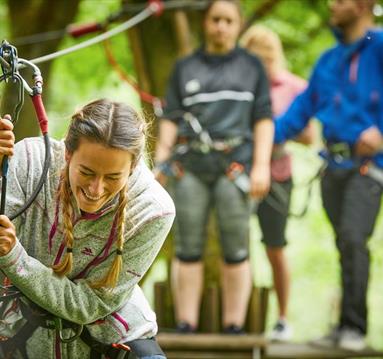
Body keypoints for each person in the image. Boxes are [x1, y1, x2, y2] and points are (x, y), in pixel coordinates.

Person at [0, 99, 175, 358]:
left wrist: (16, 259)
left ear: (133, 167)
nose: (96, 189)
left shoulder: (153, 210)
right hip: (15, 328)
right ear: (68, 153)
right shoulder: (29, 162)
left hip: (108, 338)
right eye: (87, 172)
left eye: (113, 177)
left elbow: (91, 305)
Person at [155, 0, 274, 334]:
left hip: (235, 167)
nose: (221, 26)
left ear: (237, 26)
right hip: (191, 166)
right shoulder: (184, 67)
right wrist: (160, 163)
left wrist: (262, 166)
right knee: (187, 244)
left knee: (236, 245)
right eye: (215, 20)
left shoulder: (252, 67)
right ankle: (186, 323)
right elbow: (171, 119)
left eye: (228, 20)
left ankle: (234, 326)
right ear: (205, 23)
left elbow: (264, 119)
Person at [274, 0, 383, 351]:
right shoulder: (327, 61)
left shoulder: (379, 46)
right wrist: (252, 139)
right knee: (343, 245)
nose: (331, 4)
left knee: (353, 238)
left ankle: (354, 329)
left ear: (364, 4)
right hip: (332, 168)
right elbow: (297, 114)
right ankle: (343, 329)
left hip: (368, 168)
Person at [240, 25, 313, 341]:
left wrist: (273, 132)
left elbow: (309, 136)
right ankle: (240, 315)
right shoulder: (239, 86)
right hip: (239, 174)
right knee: (237, 249)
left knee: (275, 247)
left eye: (267, 61)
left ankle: (283, 318)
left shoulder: (295, 86)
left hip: (278, 176)